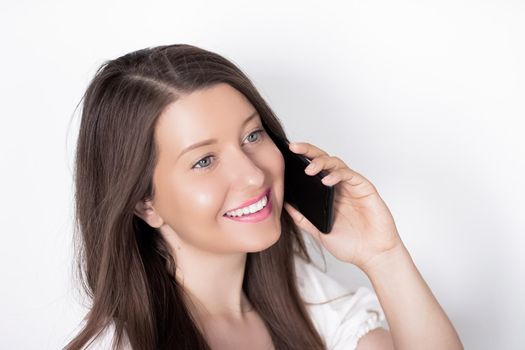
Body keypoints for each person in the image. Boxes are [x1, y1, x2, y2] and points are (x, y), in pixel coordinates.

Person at [64, 44, 463, 350]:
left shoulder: (306, 298)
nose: (254, 175)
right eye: (204, 161)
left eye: (253, 136)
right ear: (144, 204)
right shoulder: (123, 342)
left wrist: (383, 257)